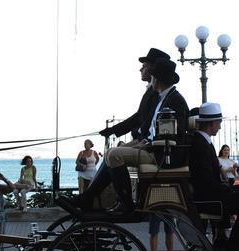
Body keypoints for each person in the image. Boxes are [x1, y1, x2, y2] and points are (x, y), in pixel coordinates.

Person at [68, 49, 189, 213]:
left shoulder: (173, 101)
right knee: (112, 152)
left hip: (162, 155)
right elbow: (152, 127)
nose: (149, 77)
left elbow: (173, 134)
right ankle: (91, 198)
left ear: (157, 78)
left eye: (151, 74)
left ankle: (125, 203)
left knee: (114, 155)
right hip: (153, 147)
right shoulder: (164, 98)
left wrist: (147, 144)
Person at [187, 103, 239, 251]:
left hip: (213, 194)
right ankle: (237, 244)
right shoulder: (200, 144)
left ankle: (230, 241)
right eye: (219, 123)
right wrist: (227, 189)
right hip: (211, 198)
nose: (219, 127)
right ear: (212, 124)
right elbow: (205, 179)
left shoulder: (203, 142)